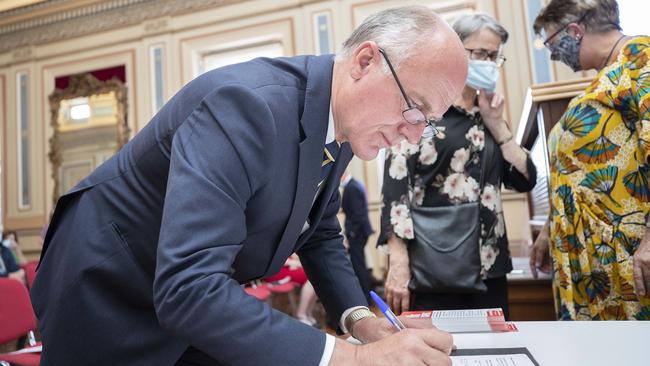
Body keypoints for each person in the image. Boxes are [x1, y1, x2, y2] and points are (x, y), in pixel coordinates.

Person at [31, 6, 468, 366]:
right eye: (414, 110)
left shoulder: (349, 125)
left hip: (180, 302)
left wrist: (359, 321)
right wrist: (352, 359)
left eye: (426, 125)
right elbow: (188, 287)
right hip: (108, 293)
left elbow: (317, 232)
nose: (413, 136)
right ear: (365, 62)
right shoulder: (245, 105)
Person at [379, 13, 536, 318]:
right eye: (480, 53)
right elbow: (395, 191)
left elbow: (524, 180)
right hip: (434, 267)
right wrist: (398, 263)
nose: (488, 63)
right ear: (454, 51)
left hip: (489, 266)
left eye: (494, 56)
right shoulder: (420, 111)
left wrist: (498, 127)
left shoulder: (488, 116)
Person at [529, 0, 650, 320]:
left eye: (552, 43)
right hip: (593, 258)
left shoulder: (640, 58)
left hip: (628, 250)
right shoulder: (609, 74)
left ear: (574, 31)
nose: (554, 55)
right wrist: (548, 229)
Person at [340, 170, 374, 299]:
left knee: (358, 266)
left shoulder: (351, 187)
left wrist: (351, 234)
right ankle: (366, 294)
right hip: (360, 232)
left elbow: (357, 215)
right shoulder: (354, 185)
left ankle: (365, 296)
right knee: (360, 264)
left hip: (357, 233)